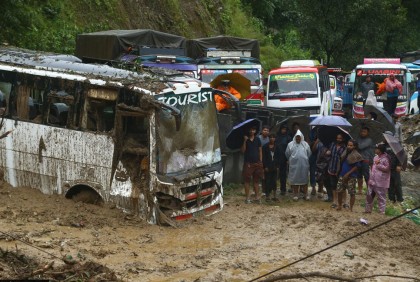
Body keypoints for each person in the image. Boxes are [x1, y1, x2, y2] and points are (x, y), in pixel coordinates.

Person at [337, 140, 363, 211]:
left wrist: (348, 174)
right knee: (339, 191)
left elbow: (357, 166)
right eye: (348, 145)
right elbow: (340, 162)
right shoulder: (344, 153)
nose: (349, 146)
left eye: (351, 145)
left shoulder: (357, 155)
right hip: (342, 174)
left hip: (352, 176)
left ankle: (351, 208)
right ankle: (339, 205)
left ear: (354, 146)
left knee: (352, 192)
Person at [285, 130, 311, 201]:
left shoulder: (305, 144)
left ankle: (305, 195)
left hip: (304, 165)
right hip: (294, 165)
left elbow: (309, 154)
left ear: (302, 137)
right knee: (295, 180)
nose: (298, 139)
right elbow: (287, 154)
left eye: (299, 138)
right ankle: (296, 194)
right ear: (295, 137)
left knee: (304, 180)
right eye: (297, 138)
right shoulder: (290, 144)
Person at [365, 144, 390, 214]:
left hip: (381, 181)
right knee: (369, 194)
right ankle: (368, 210)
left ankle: (381, 212)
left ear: (380, 150)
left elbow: (387, 169)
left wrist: (378, 165)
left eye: (376, 149)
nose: (375, 150)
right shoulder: (375, 157)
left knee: (381, 196)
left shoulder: (386, 158)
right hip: (372, 179)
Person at [241, 126, 264, 204]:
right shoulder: (246, 140)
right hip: (248, 163)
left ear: (255, 131)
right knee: (247, 181)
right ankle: (247, 198)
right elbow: (243, 151)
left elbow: (260, 150)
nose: (252, 131)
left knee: (256, 181)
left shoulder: (257, 139)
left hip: (257, 163)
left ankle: (257, 197)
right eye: (250, 130)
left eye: (253, 130)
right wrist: (244, 141)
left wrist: (260, 161)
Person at [323, 134, 346, 207]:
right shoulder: (332, 144)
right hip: (331, 168)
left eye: (340, 138)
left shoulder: (345, 147)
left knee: (342, 186)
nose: (338, 139)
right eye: (337, 138)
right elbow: (328, 153)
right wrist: (327, 152)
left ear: (343, 139)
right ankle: (335, 201)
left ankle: (344, 202)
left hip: (340, 170)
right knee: (333, 186)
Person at [384, 132, 404, 204]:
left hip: (395, 167)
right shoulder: (384, 146)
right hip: (387, 168)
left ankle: (400, 199)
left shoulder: (396, 145)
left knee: (397, 183)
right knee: (389, 184)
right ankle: (391, 199)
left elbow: (402, 154)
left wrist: (399, 165)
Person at [356, 127, 374, 195]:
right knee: (359, 175)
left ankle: (369, 190)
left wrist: (356, 144)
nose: (362, 133)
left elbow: (360, 147)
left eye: (364, 132)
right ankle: (360, 190)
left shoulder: (369, 140)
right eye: (361, 131)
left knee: (366, 176)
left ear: (368, 133)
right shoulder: (358, 139)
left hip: (365, 160)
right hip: (358, 159)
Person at [262, 134, 279, 202]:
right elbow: (264, 157)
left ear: (275, 138)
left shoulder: (277, 146)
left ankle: (274, 195)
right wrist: (265, 166)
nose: (272, 138)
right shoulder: (265, 147)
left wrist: (277, 166)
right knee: (267, 181)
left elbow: (279, 156)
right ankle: (267, 196)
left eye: (273, 137)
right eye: (271, 137)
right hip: (268, 166)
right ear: (269, 138)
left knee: (274, 181)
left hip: (275, 166)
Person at [275, 124, 291, 195]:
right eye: (282, 129)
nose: (283, 130)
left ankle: (283, 189)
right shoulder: (277, 137)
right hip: (276, 157)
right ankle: (273, 189)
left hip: (285, 158)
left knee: (283, 175)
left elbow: (290, 149)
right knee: (274, 174)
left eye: (285, 129)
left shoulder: (288, 138)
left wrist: (288, 158)